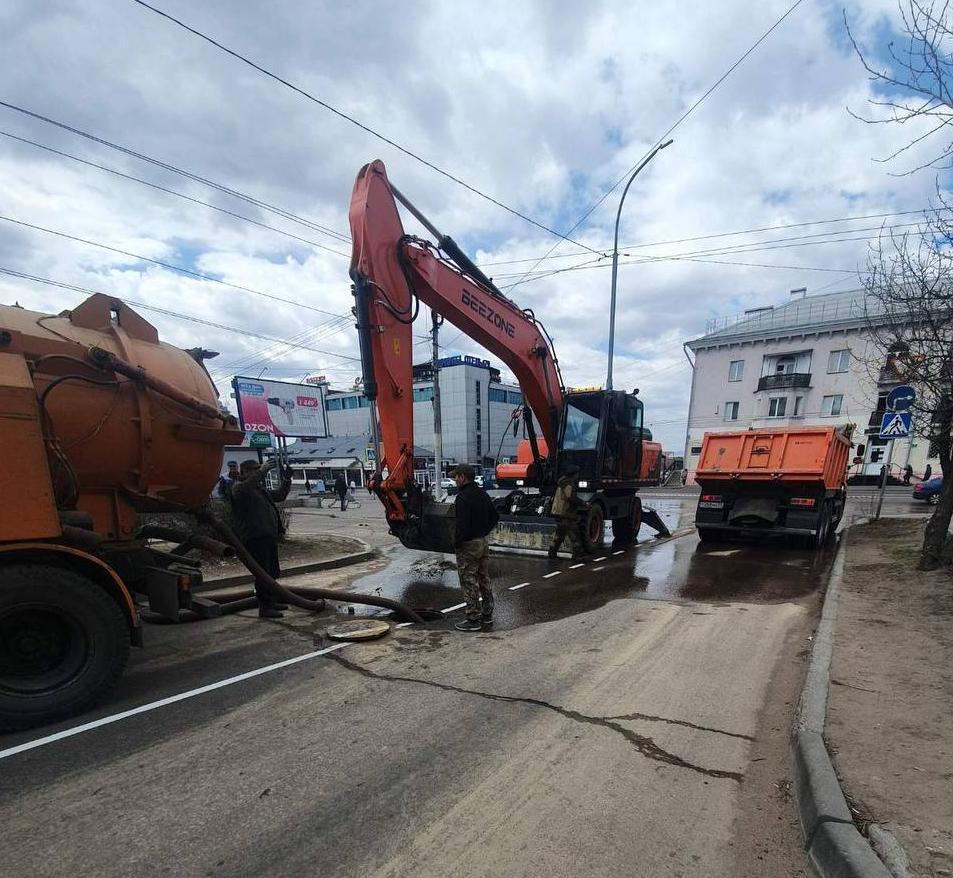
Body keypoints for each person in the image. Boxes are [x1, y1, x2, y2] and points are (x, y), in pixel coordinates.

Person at [231, 459, 292, 618]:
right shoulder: (240, 489)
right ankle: (265, 607)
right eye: (254, 470)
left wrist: (287, 480)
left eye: (258, 470)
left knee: (272, 572)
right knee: (262, 573)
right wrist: (263, 471)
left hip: (268, 536)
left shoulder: (259, 489)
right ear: (245, 472)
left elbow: (279, 496)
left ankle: (272, 601)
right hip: (255, 538)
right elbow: (246, 487)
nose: (257, 473)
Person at [451, 464, 499, 632]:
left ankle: (473, 618)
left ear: (463, 477)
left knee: (468, 579)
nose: (454, 479)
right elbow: (495, 516)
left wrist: (457, 542)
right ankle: (487, 612)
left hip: (468, 544)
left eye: (456, 476)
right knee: (483, 577)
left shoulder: (463, 497)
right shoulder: (482, 494)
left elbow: (462, 525)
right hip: (482, 542)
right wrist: (483, 531)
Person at [549, 466, 585, 559]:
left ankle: (552, 553)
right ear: (574, 474)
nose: (578, 476)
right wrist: (583, 503)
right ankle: (577, 555)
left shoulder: (562, 481)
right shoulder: (568, 483)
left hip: (559, 511)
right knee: (574, 533)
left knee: (560, 534)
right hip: (566, 512)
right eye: (577, 474)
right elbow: (570, 497)